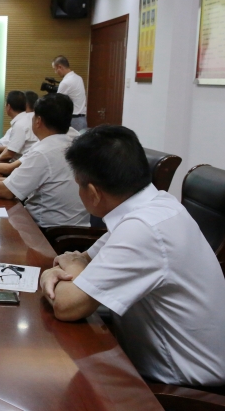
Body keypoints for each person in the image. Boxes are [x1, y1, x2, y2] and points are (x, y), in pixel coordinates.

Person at [40, 125, 225, 386]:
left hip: (180, 385)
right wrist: (70, 268)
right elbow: (82, 259)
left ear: (93, 193)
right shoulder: (156, 205)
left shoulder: (144, 229)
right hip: (151, 359)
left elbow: (66, 305)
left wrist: (58, 273)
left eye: (78, 185)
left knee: (51, 379)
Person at [0, 94, 89, 228]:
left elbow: (7, 192)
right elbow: (27, 182)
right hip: (73, 227)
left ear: (38, 121)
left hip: (47, 230)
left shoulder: (43, 152)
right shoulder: (75, 143)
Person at [53, 55, 87, 131]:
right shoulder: (78, 78)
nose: (55, 72)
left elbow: (57, 103)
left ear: (60, 67)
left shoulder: (66, 82)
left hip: (73, 121)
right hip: (82, 119)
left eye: (55, 69)